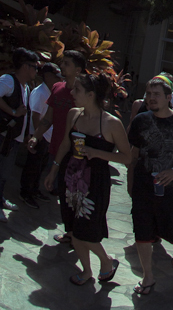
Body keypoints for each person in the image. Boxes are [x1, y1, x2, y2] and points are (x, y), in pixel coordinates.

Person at [44, 71, 131, 286]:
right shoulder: (74, 114)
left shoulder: (111, 124)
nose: (72, 92)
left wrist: (98, 153)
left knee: (87, 232)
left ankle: (106, 261)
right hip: (71, 179)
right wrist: (54, 170)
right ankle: (87, 270)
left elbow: (128, 157)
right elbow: (66, 143)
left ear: (91, 95)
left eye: (77, 90)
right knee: (74, 230)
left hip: (95, 184)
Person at [128, 76, 173, 296]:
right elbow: (132, 154)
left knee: (172, 231)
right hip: (143, 187)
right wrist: (131, 181)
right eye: (149, 94)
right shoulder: (141, 121)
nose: (151, 98)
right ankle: (147, 277)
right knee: (142, 231)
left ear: (169, 98)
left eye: (156, 94)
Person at [29, 49, 87, 242]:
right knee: (62, 192)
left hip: (77, 155)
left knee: (75, 195)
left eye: (67, 64)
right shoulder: (57, 88)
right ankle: (71, 232)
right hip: (57, 150)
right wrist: (36, 137)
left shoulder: (86, 94)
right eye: (63, 63)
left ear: (78, 70)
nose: (62, 67)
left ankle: (75, 233)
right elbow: (48, 119)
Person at [0, 47, 39, 221]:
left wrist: (26, 135)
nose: (36, 71)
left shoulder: (26, 87)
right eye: (34, 66)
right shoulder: (8, 80)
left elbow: (26, 113)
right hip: (3, 136)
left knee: (5, 173)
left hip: (14, 138)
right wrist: (13, 111)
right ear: (24, 66)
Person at [20, 61, 61, 207]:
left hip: (46, 137)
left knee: (40, 166)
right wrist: (37, 137)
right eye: (56, 76)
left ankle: (34, 190)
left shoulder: (50, 91)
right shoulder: (40, 92)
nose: (59, 79)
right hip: (39, 136)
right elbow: (35, 116)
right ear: (48, 76)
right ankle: (26, 192)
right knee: (32, 166)